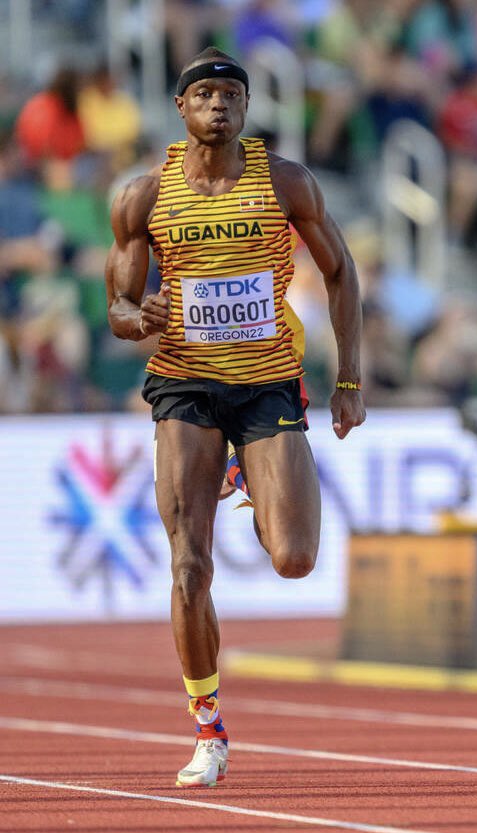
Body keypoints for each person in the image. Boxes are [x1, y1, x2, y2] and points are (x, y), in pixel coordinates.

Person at [105, 46, 365, 787]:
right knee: (189, 562)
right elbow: (118, 306)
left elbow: (341, 272)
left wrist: (348, 377)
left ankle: (246, 465)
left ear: (246, 111)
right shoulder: (142, 196)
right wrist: (136, 314)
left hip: (265, 386)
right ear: (181, 111)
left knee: (293, 558)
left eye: (231, 94)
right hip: (185, 385)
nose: (219, 104)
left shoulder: (285, 182)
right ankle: (209, 728)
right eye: (205, 94)